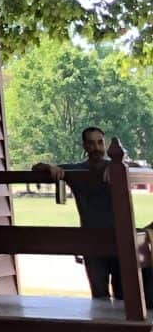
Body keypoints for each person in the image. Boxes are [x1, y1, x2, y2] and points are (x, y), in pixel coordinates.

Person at [32, 126, 123, 301]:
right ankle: (102, 327)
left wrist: (118, 168)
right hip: (91, 241)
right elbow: (36, 167)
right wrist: (49, 167)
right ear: (84, 147)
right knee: (99, 295)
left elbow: (134, 166)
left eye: (99, 142)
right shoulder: (75, 171)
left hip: (117, 239)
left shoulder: (116, 168)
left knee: (123, 295)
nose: (96, 147)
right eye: (91, 143)